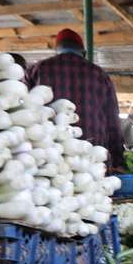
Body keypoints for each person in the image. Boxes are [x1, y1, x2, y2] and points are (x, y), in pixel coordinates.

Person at [25, 30, 124, 171]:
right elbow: (113, 122)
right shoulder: (100, 75)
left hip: (50, 157)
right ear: (82, 51)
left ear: (57, 49)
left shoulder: (37, 70)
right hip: (93, 159)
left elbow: (25, 112)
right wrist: (118, 161)